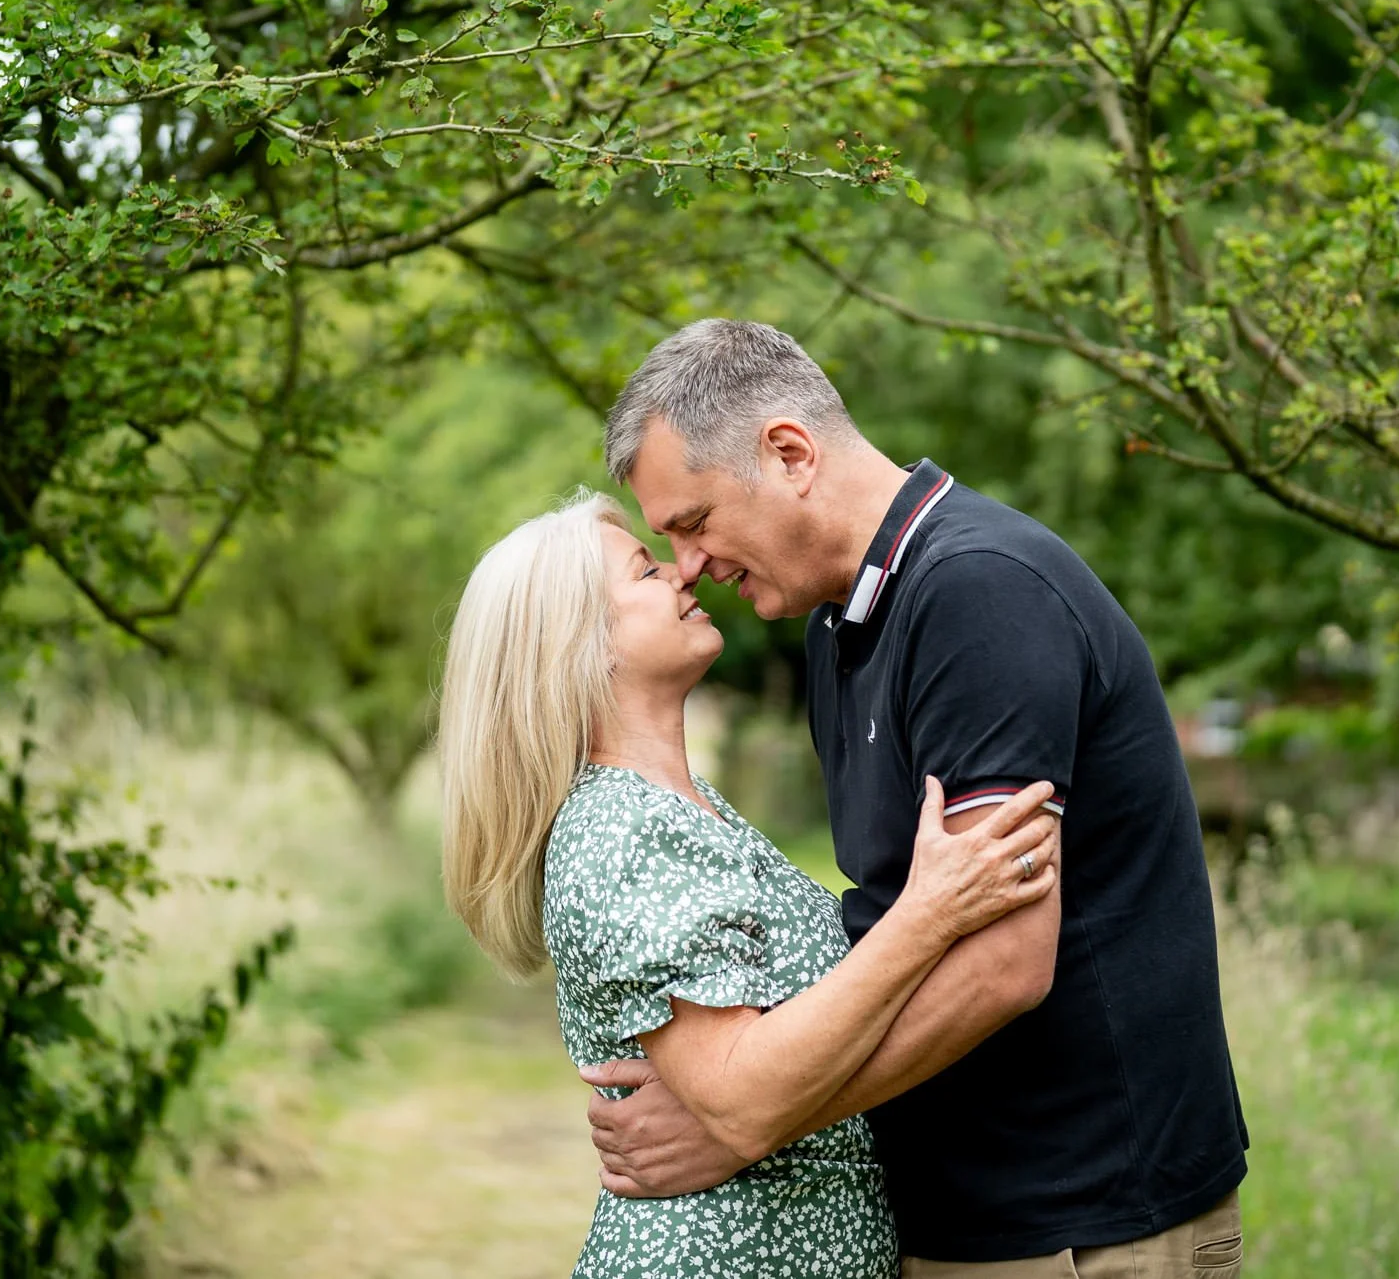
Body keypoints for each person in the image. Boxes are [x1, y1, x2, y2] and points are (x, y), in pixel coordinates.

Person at [589, 319, 1249, 1278]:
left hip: (1090, 1225)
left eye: (692, 522)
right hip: (964, 1216)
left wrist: (742, 1124)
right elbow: (898, 913)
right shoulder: (839, 626)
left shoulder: (977, 593)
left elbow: (1001, 962)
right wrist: (726, 1075)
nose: (690, 564)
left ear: (788, 452)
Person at [438, 489, 1065, 1279]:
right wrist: (930, 911)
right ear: (582, 646)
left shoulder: (682, 808)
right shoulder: (624, 831)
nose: (682, 574)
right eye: (644, 569)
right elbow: (739, 1095)